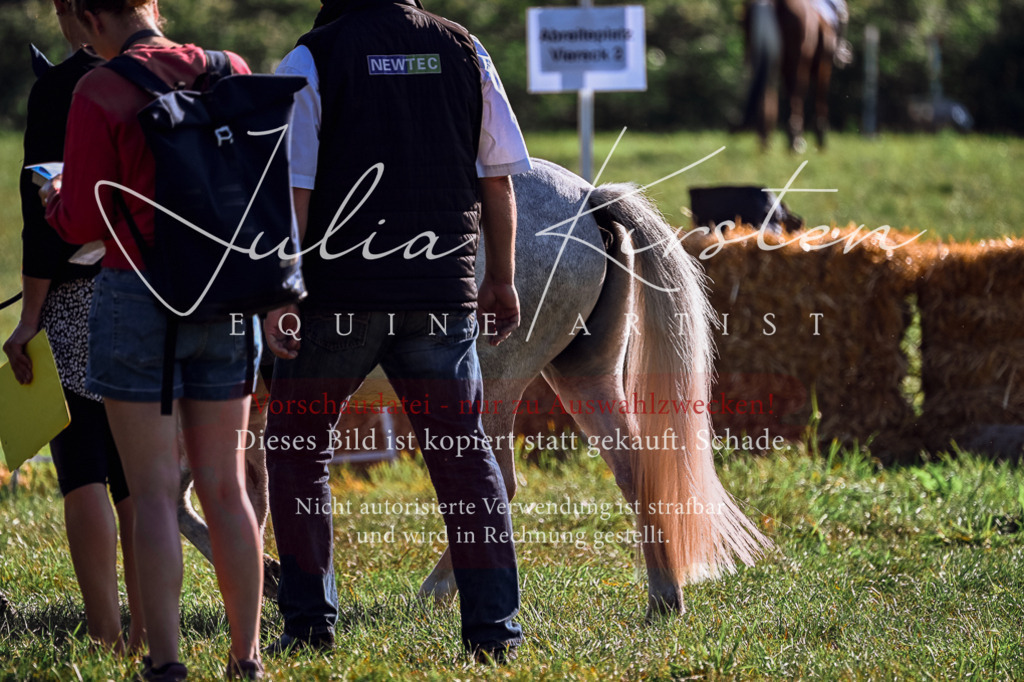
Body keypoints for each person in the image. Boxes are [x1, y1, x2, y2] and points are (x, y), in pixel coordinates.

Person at [262, 0, 531, 663]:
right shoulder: (465, 49)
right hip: (441, 292)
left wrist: (282, 289)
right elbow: (496, 179)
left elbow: (295, 191)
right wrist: (500, 278)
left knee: (297, 450)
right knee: (464, 456)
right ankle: (495, 633)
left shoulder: (312, 57)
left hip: (339, 297)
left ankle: (309, 625)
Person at [42, 1, 264, 679]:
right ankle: (246, 658)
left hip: (137, 299)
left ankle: (165, 662)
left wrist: (53, 199)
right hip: (225, 296)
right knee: (226, 488)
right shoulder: (229, 69)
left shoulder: (98, 89)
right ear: (155, 7)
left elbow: (82, 220)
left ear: (88, 16)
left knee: (155, 493)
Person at [2, 0, 145, 653]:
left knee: (83, 467)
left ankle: (105, 632)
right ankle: (151, 630)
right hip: (155, 293)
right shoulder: (177, 72)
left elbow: (43, 221)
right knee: (138, 476)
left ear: (73, 12)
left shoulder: (61, 88)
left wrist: (29, 318)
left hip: (76, 297)